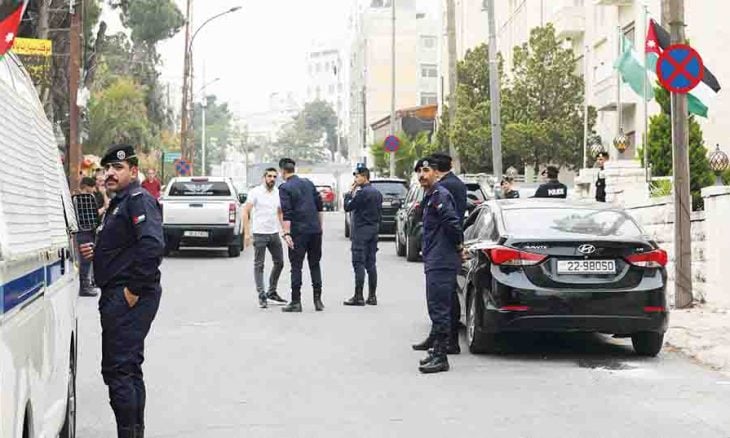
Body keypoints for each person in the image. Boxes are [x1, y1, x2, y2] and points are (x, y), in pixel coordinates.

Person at [79, 144, 163, 438]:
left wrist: (132, 291)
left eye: (118, 168)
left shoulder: (138, 200)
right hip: (118, 294)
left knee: (118, 371)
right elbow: (125, 243)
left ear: (134, 171)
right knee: (128, 368)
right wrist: (98, 250)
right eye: (107, 169)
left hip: (128, 296)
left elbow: (152, 246)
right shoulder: (120, 203)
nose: (110, 174)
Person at [411, 158, 463, 374]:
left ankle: (441, 356)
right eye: (419, 172)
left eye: (426, 170)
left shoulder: (440, 195)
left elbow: (452, 223)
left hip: (442, 259)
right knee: (436, 306)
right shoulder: (430, 195)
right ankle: (436, 351)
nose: (422, 175)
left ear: (436, 173)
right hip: (435, 257)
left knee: (439, 308)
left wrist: (458, 246)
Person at [278, 158, 325, 312]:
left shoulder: (285, 188)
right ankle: (318, 300)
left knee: (296, 266)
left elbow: (287, 212)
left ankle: (296, 302)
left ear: (282, 171)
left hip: (298, 232)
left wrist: (287, 233)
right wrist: (319, 227)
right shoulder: (308, 183)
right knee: (315, 264)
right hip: (314, 230)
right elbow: (319, 206)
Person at [243, 168, 287, 308]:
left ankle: (271, 292)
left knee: (279, 262)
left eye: (274, 177)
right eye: (269, 176)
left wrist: (285, 231)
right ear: (264, 178)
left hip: (273, 233)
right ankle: (261, 295)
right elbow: (245, 212)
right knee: (259, 265)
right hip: (259, 234)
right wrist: (247, 234)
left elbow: (280, 213)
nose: (272, 179)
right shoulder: (255, 192)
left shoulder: (278, 193)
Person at [343, 164, 383, 306]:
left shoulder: (362, 193)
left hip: (361, 231)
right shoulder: (377, 193)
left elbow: (348, 207)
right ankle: (372, 296)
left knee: (358, 263)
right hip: (374, 230)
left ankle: (358, 296)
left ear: (364, 177)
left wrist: (349, 193)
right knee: (371, 264)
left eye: (357, 176)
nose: (355, 179)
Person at [73, 177, 101, 297]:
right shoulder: (86, 199)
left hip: (81, 231)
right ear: (86, 186)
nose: (94, 190)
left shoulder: (75, 198)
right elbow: (94, 215)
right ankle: (84, 287)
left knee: (85, 260)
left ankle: (86, 285)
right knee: (86, 260)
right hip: (86, 231)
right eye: (92, 187)